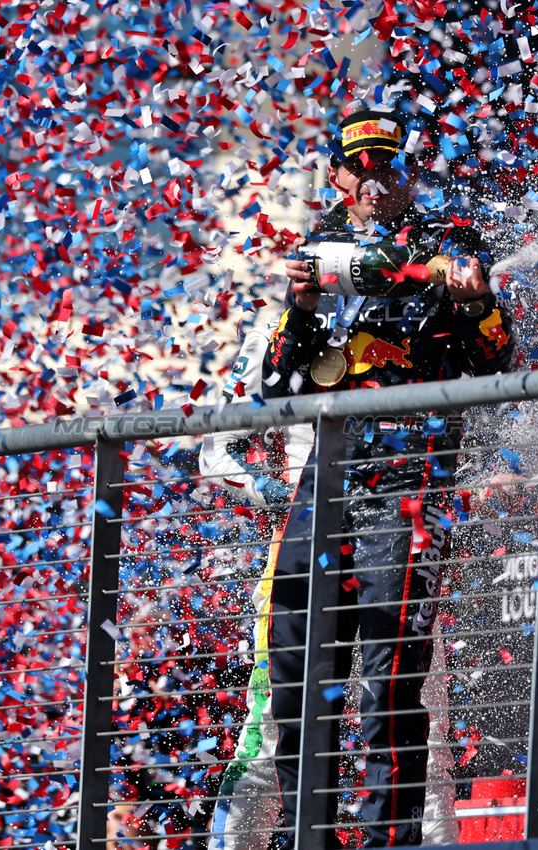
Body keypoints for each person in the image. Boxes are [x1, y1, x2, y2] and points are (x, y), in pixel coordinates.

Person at [259, 105, 515, 848]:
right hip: (329, 469)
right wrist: (301, 306)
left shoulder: (451, 243)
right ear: (337, 176)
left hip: (414, 466)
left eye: (388, 164)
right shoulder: (318, 247)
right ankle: (300, 833)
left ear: (407, 172)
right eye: (360, 165)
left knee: (388, 669)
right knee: (296, 659)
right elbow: (278, 386)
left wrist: (478, 303)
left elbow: (493, 362)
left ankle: (385, 840)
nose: (375, 178)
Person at [201, 323, 314, 850]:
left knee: (418, 736)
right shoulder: (275, 331)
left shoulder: (405, 312)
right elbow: (216, 452)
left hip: (396, 551)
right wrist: (281, 495)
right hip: (295, 564)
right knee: (270, 733)